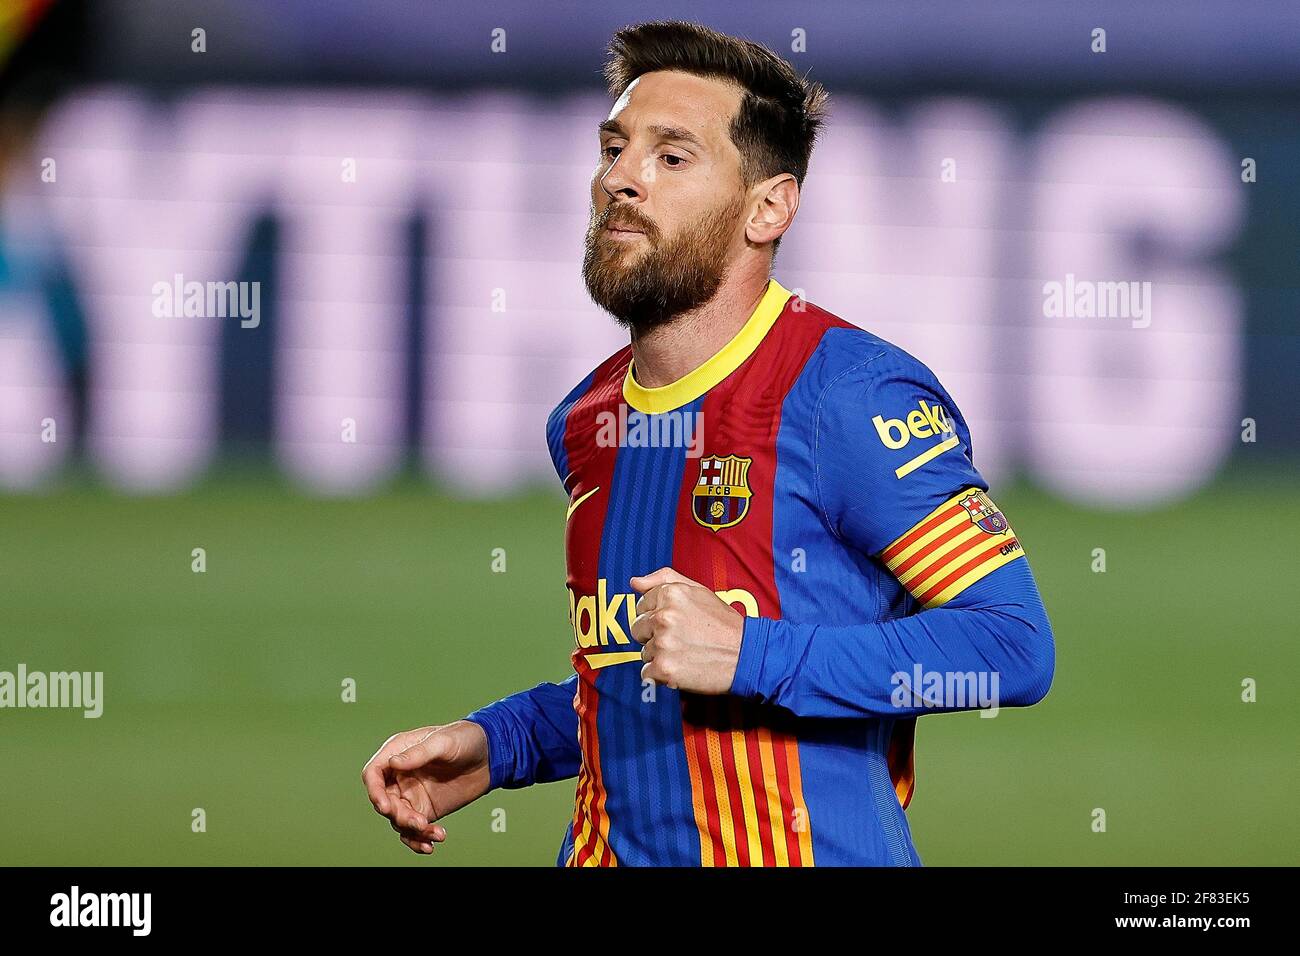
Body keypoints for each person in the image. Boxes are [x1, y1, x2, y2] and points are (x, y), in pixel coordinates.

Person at [362, 19, 1054, 866]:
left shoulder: (848, 396)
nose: (619, 177)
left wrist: (751, 652)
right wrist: (500, 743)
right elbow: (638, 676)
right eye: (614, 147)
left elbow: (1011, 648)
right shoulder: (587, 420)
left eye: (671, 156)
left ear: (769, 207)